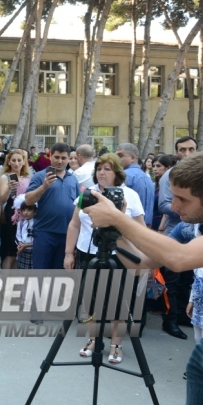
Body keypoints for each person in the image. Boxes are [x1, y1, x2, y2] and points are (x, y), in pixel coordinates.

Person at [84, 152, 203, 405]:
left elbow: (179, 259)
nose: (172, 206)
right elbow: (141, 264)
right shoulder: (192, 226)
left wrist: (118, 219)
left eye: (183, 200)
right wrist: (116, 233)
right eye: (171, 195)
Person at [63, 153, 145, 364]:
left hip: (120, 256)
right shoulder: (87, 194)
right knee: (90, 300)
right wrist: (69, 253)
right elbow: (74, 224)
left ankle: (116, 344)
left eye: (107, 169)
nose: (101, 172)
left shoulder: (130, 195)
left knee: (118, 302)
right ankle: (93, 340)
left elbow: (141, 229)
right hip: (88, 252)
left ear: (117, 173)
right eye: (99, 168)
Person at [158, 135, 198, 339]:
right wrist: (188, 209)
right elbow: (163, 205)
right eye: (182, 150)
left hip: (197, 236)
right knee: (171, 283)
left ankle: (183, 315)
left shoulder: (200, 174)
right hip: (174, 235)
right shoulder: (170, 175)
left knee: (188, 281)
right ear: (176, 152)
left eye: (191, 149)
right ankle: (169, 321)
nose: (187, 154)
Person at [25, 142, 80, 270]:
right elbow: (28, 201)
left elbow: (78, 205)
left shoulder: (73, 179)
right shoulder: (39, 176)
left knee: (60, 274)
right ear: (50, 157)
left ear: (68, 159)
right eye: (56, 157)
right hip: (45, 233)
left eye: (63, 158)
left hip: (67, 234)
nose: (60, 161)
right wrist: (44, 186)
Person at [0, 149, 31, 269]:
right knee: (10, 252)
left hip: (26, 213)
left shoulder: (28, 177)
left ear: (24, 162)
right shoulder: (5, 177)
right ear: (9, 162)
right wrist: (9, 188)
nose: (16, 163)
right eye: (13, 160)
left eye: (19, 160)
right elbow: (1, 200)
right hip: (11, 213)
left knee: (18, 252)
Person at [115, 143, 155, 227]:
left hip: (129, 227)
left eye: (120, 156)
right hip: (146, 227)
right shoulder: (147, 178)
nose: (116, 159)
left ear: (132, 158)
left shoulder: (123, 176)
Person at [151, 155, 173, 232]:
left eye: (158, 166)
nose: (155, 169)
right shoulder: (154, 185)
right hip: (153, 221)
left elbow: (167, 204)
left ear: (167, 168)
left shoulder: (170, 185)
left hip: (163, 224)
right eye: (153, 166)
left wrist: (162, 226)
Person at [15, 201, 36, 270]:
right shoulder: (21, 223)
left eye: (29, 210)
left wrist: (26, 245)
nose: (25, 212)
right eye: (23, 210)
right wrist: (20, 243)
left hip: (34, 251)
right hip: (23, 251)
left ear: (35, 211)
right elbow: (18, 236)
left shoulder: (37, 223)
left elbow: (39, 239)